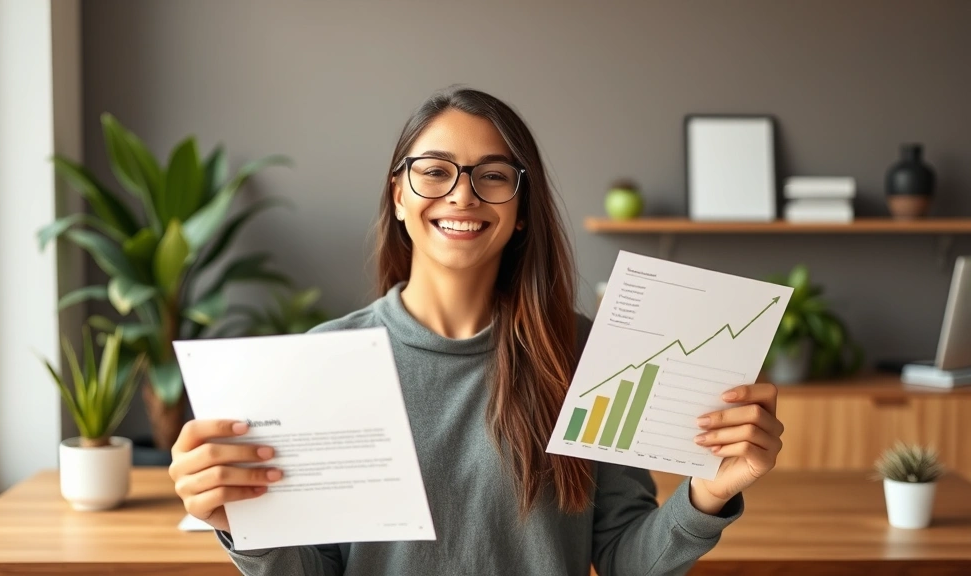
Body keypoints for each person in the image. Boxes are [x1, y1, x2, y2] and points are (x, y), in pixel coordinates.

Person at [167, 86, 784, 576]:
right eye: (435, 172)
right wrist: (239, 522)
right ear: (400, 196)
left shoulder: (588, 352)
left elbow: (626, 561)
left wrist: (709, 492)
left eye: (492, 175)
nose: (462, 195)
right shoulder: (321, 361)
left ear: (519, 210)